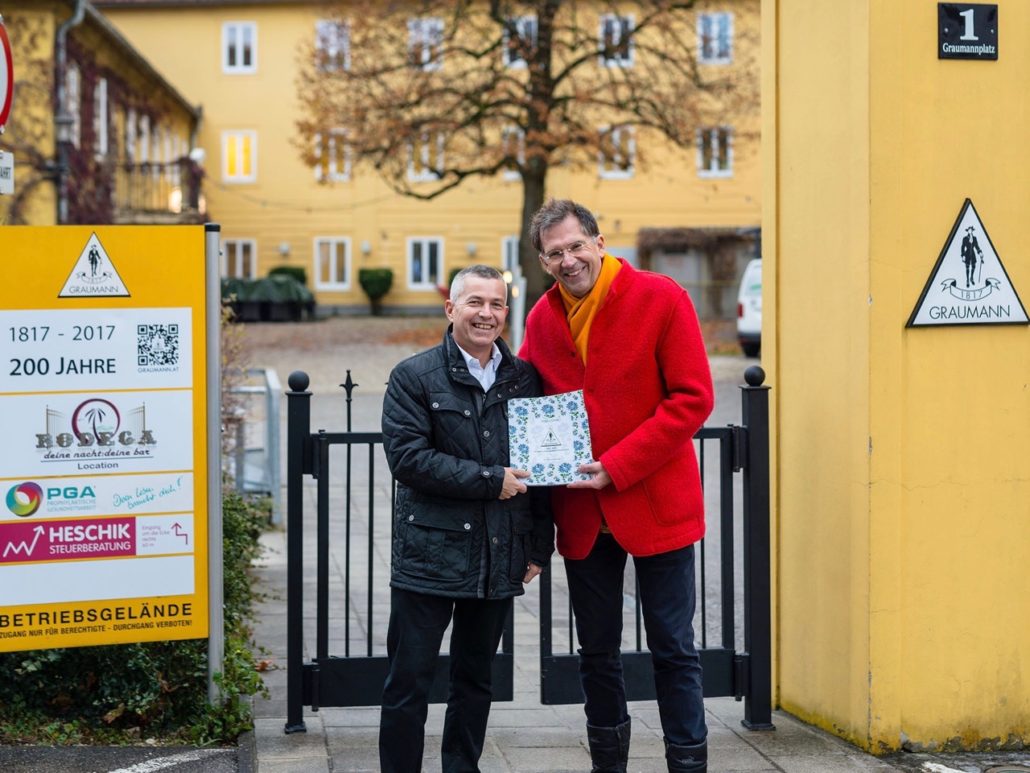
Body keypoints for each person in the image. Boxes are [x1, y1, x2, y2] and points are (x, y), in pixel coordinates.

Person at [519, 200, 715, 773]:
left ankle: (687, 763)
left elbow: (693, 399)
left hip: (656, 503)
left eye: (576, 245)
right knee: (597, 653)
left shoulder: (661, 297)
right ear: (543, 260)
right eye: (555, 253)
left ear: (599, 242)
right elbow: (529, 402)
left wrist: (619, 464)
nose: (568, 259)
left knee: (674, 649)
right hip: (582, 515)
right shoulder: (540, 319)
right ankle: (609, 761)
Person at [379, 264, 554, 773]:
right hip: (429, 556)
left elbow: (538, 470)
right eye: (475, 302)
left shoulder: (525, 380)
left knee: (476, 680)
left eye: (497, 304)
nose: (487, 314)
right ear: (451, 308)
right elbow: (409, 460)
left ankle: (462, 766)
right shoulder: (413, 376)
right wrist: (489, 478)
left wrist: (538, 545)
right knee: (408, 681)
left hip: (498, 555)